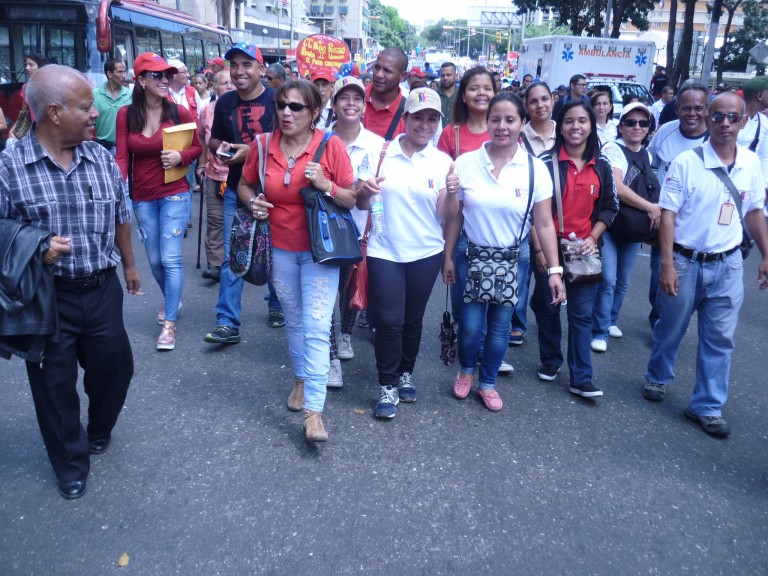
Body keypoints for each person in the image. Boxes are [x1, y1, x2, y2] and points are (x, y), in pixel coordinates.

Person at [0, 65, 140, 499]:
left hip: (101, 289)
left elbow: (120, 216)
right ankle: (70, 464)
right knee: (54, 387)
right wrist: (36, 246)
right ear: (54, 112)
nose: (95, 114)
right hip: (45, 297)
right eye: (85, 107)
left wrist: (129, 265)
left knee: (115, 368)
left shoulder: (100, 158)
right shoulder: (9, 166)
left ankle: (99, 428)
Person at [643, 92, 768, 437]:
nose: (724, 123)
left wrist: (766, 254)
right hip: (685, 262)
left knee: (720, 338)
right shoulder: (687, 162)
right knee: (671, 327)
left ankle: (708, 406)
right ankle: (658, 376)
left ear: (743, 121)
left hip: (727, 265)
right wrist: (667, 264)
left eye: (732, 117)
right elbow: (668, 214)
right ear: (708, 119)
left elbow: (754, 211)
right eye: (718, 117)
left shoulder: (750, 163)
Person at [240, 80, 356, 442]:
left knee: (317, 326)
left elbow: (351, 198)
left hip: (321, 252)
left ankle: (314, 413)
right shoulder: (262, 144)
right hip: (279, 249)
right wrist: (252, 202)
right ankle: (302, 379)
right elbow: (243, 184)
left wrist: (326, 185)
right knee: (293, 319)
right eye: (281, 105)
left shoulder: (331, 145)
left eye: (296, 107)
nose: (286, 113)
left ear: (315, 112)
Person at [443, 93, 565, 411]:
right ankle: (466, 369)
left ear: (522, 123)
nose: (502, 126)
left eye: (510, 120)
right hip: (471, 254)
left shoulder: (535, 169)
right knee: (470, 326)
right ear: (487, 122)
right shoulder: (466, 163)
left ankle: (488, 382)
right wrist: (448, 256)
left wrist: (554, 270)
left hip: (514, 257)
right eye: (495, 119)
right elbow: (455, 216)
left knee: (500, 328)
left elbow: (544, 223)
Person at [356, 88, 459, 419]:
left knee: (413, 319)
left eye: (432, 119)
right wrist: (363, 190)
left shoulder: (443, 162)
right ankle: (387, 385)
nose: (424, 125)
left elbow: (445, 215)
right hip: (384, 250)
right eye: (418, 117)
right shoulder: (381, 153)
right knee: (389, 321)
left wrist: (453, 193)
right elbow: (361, 202)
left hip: (426, 252)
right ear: (405, 119)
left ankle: (405, 373)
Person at [531, 99, 618, 398]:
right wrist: (539, 251)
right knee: (548, 306)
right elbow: (532, 211)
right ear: (560, 126)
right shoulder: (546, 162)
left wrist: (593, 237)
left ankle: (581, 377)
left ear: (591, 126)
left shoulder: (601, 164)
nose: (575, 126)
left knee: (581, 314)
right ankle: (550, 359)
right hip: (549, 245)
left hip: (584, 249)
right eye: (568, 121)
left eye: (582, 120)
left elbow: (610, 206)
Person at [116, 53, 201, 351]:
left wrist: (181, 156)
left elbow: (198, 147)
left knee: (171, 258)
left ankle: (170, 323)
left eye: (167, 75)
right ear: (141, 80)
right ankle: (172, 300)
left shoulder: (179, 112)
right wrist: (115, 186)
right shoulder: (127, 114)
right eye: (157, 75)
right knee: (154, 260)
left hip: (175, 192)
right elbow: (122, 156)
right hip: (142, 195)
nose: (165, 80)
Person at [436, 67, 513, 374]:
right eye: (474, 88)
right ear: (463, 95)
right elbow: (440, 181)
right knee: (464, 302)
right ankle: (470, 348)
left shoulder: (507, 132)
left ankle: (486, 352)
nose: (481, 93)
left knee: (499, 301)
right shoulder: (451, 133)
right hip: (462, 229)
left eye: (487, 88)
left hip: (501, 234)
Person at [203, 43, 281, 344]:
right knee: (231, 257)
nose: (239, 71)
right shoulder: (225, 102)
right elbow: (214, 141)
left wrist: (252, 150)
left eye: (247, 64)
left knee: (276, 253)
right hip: (236, 189)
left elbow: (290, 140)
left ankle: (277, 304)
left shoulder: (278, 100)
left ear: (261, 69)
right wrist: (223, 149)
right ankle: (227, 322)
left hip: (276, 192)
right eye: (234, 65)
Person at [590, 103, 659, 352]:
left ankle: (610, 320)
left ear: (649, 128)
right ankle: (599, 331)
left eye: (642, 123)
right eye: (630, 122)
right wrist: (650, 207)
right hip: (611, 224)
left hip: (633, 227)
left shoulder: (646, 154)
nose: (637, 127)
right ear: (621, 126)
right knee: (608, 279)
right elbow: (617, 187)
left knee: (623, 280)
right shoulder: (612, 149)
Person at [328, 76, 384, 366]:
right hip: (324, 228)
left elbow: (380, 193)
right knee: (325, 290)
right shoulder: (321, 138)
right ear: (333, 103)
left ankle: (346, 334)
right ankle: (330, 353)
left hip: (360, 227)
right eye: (344, 98)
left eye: (357, 99)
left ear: (364, 106)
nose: (350, 104)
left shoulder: (377, 144)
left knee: (351, 287)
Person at [646, 83, 710, 328]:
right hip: (664, 218)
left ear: (707, 110)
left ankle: (673, 320)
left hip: (699, 222)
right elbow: (650, 163)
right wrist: (654, 196)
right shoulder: (666, 131)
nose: (692, 113)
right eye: (686, 108)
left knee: (694, 276)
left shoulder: (715, 136)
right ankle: (659, 319)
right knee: (659, 272)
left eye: (698, 108)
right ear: (677, 108)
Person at [515, 81, 559, 347]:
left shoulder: (564, 133)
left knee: (547, 283)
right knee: (520, 279)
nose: (540, 105)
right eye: (533, 101)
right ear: (526, 106)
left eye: (544, 99)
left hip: (556, 220)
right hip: (524, 220)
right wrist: (538, 243)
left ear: (553, 100)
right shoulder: (518, 137)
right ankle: (517, 324)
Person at [197, 69, 234, 282]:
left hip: (238, 177)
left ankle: (237, 262)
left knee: (237, 222)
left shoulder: (241, 108)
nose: (229, 86)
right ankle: (216, 264)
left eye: (231, 82)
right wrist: (201, 165)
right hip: (214, 174)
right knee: (215, 221)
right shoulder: (207, 110)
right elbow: (201, 138)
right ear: (215, 87)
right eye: (224, 83)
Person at [362, 48, 408, 141]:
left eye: (387, 71)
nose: (379, 75)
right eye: (377, 67)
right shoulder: (356, 98)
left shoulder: (408, 113)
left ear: (402, 76)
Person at [8, 53, 51, 141]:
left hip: (51, 133)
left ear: (40, 66)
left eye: (31, 65)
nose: (27, 68)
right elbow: (24, 112)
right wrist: (13, 130)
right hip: (34, 134)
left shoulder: (51, 86)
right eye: (26, 65)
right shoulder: (26, 87)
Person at [92, 58, 132, 155]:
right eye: (120, 72)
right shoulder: (95, 94)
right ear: (109, 74)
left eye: (124, 72)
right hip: (101, 149)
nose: (124, 76)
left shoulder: (130, 95)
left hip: (125, 149)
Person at [737, 76, 768, 196]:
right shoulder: (730, 118)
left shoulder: (764, 122)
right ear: (760, 96)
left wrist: (764, 187)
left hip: (749, 183)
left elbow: (763, 157)